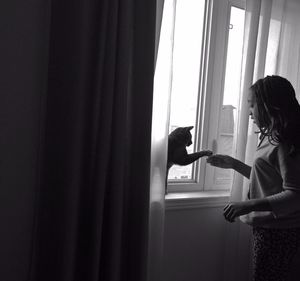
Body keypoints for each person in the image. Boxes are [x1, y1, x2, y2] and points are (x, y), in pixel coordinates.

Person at [207, 75, 300, 281]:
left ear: (268, 105)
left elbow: (295, 195)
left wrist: (248, 205)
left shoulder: (284, 142)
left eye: (252, 105)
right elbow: (270, 181)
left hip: (281, 233)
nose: (249, 112)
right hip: (269, 229)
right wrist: (234, 164)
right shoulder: (272, 137)